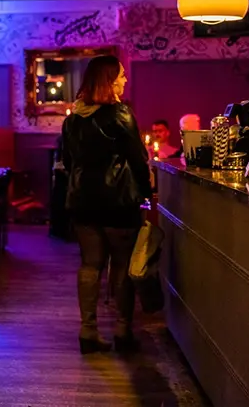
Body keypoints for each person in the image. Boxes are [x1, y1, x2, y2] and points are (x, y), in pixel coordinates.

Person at [62, 55, 152, 354]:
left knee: (89, 264)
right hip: (118, 201)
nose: (125, 81)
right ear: (109, 81)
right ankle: (122, 330)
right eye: (121, 76)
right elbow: (139, 160)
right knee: (122, 265)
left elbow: (67, 161)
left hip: (82, 201)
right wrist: (148, 192)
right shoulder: (121, 115)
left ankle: (88, 331)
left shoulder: (73, 118)